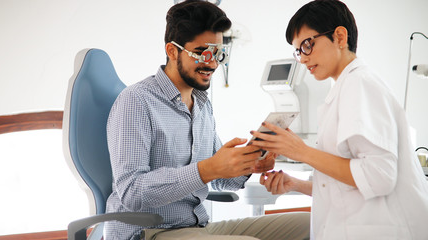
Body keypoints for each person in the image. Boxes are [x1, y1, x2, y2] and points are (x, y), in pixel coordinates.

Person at [104, 1, 310, 240]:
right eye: (203, 53)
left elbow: (222, 180)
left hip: (197, 228)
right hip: (146, 232)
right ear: (172, 51)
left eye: (219, 53)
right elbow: (131, 192)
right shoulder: (136, 101)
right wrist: (206, 169)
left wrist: (249, 165)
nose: (212, 63)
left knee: (309, 224)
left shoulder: (201, 103)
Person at [250, 0, 428, 239]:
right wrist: (295, 184)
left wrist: (300, 151)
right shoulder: (344, 88)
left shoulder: (360, 84)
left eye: (307, 45)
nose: (302, 59)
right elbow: (348, 183)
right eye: (298, 51)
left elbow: (379, 177)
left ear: (340, 37)